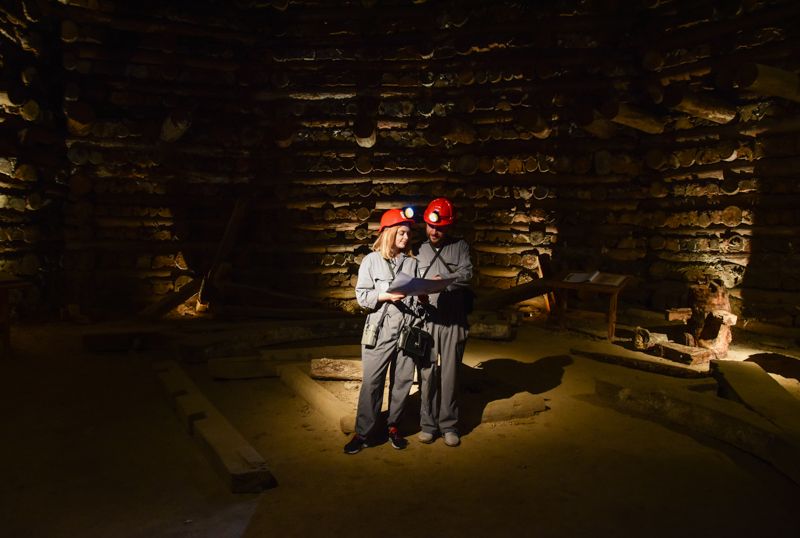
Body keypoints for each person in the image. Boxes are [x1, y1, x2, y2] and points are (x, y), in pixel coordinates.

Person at [344, 208, 425, 455]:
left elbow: (420, 298)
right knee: (372, 382)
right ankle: (363, 433)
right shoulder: (371, 261)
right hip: (379, 331)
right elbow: (362, 296)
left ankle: (393, 427)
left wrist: (424, 296)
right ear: (388, 233)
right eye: (401, 232)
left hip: (407, 330)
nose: (405, 237)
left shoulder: (412, 264)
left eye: (408, 233)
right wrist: (386, 295)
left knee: (401, 381)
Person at [413, 198, 473, 447]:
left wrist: (443, 278)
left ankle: (449, 425)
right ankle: (428, 425)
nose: (434, 231)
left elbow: (467, 273)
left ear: (449, 227)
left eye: (439, 227)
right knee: (427, 372)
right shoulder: (417, 249)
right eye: (430, 226)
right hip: (428, 318)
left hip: (453, 318)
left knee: (450, 373)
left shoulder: (460, 247)